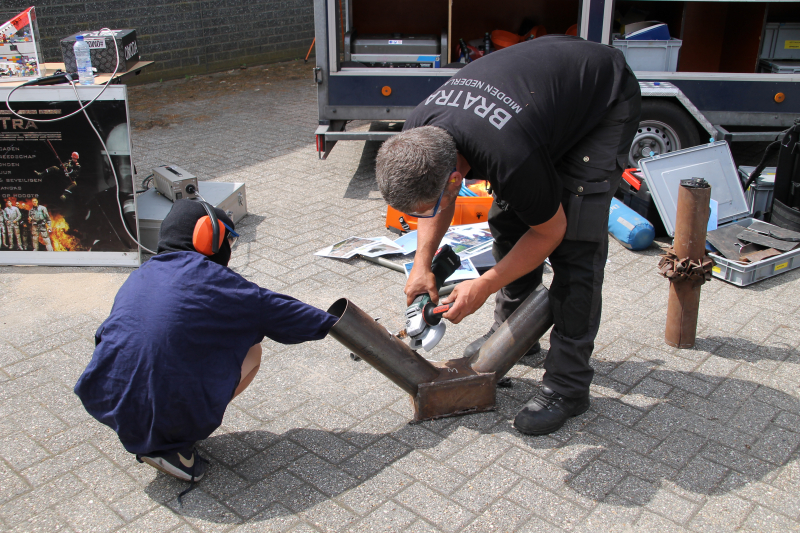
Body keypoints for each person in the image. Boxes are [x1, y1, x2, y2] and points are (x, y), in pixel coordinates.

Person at [375, 35, 641, 436]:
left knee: (576, 248)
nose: (425, 216)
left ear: (455, 179)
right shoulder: (418, 132)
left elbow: (551, 231)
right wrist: (421, 265)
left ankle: (568, 386)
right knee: (509, 218)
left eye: (430, 204)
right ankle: (517, 337)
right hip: (540, 103)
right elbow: (441, 202)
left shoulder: (508, 155)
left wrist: (484, 285)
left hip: (602, 96)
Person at [75, 200, 338, 485]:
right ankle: (173, 445)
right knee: (252, 350)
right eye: (228, 239)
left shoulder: (141, 274)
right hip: (159, 409)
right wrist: (342, 323)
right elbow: (292, 315)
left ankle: (143, 425)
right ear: (207, 237)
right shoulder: (222, 283)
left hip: (109, 398)